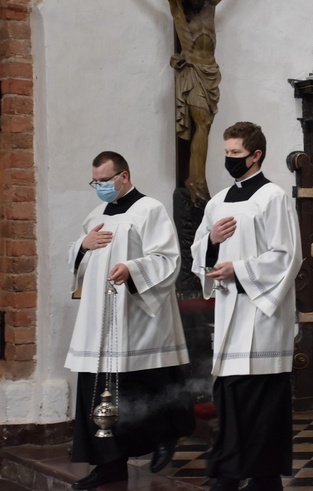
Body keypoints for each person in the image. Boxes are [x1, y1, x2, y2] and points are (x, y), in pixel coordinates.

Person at [66, 151, 194, 490]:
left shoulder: (150, 209)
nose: (101, 187)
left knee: (144, 384)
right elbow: (78, 262)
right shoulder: (95, 215)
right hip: (100, 319)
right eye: (96, 181)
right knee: (98, 389)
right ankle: (109, 465)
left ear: (124, 176)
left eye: (105, 181)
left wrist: (132, 269)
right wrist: (83, 245)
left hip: (139, 316)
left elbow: (167, 259)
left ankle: (164, 437)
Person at [191, 121, 302, 491]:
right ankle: (249, 474)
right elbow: (198, 253)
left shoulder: (274, 197)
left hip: (260, 316)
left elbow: (287, 256)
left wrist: (237, 270)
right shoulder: (218, 201)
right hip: (229, 314)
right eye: (227, 153)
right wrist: (210, 242)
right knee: (231, 395)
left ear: (256, 155)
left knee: (261, 400)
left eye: (236, 154)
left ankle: (251, 474)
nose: (229, 160)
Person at [158, 0, 234, 205]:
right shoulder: (178, 5)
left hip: (211, 73)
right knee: (203, 123)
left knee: (205, 126)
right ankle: (196, 180)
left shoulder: (210, 2)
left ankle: (196, 177)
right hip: (193, 73)